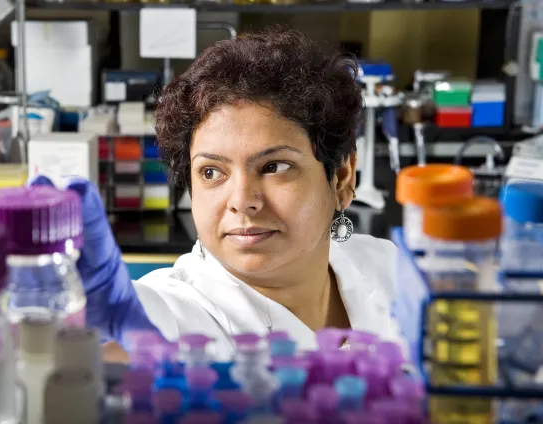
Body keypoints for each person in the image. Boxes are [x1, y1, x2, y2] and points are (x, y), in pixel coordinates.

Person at [30, 27, 399, 361]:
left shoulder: (384, 268)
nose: (241, 200)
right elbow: (136, 336)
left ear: (341, 177)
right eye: (211, 172)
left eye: (275, 166)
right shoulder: (182, 312)